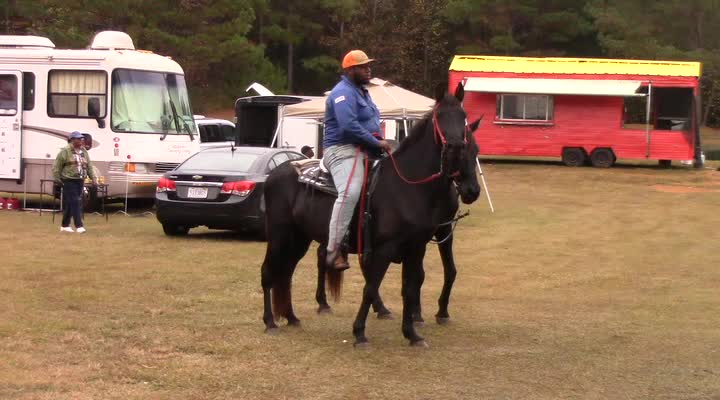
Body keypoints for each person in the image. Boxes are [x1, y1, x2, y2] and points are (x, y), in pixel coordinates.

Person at [323, 50, 393, 271]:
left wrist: (383, 142)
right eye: (363, 67)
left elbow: (371, 124)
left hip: (368, 149)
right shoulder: (342, 93)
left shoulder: (363, 93)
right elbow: (349, 126)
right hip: (343, 150)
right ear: (351, 70)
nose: (368, 69)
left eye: (368, 66)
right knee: (350, 191)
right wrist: (379, 143)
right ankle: (333, 250)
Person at [52, 131, 97, 233]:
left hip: (80, 179)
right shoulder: (65, 151)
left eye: (81, 138)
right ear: (72, 140)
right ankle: (79, 226)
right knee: (76, 201)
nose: (81, 140)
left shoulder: (83, 151)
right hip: (68, 179)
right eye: (78, 138)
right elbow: (56, 166)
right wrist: (57, 179)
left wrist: (93, 178)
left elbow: (89, 165)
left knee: (70, 203)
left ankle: (65, 225)